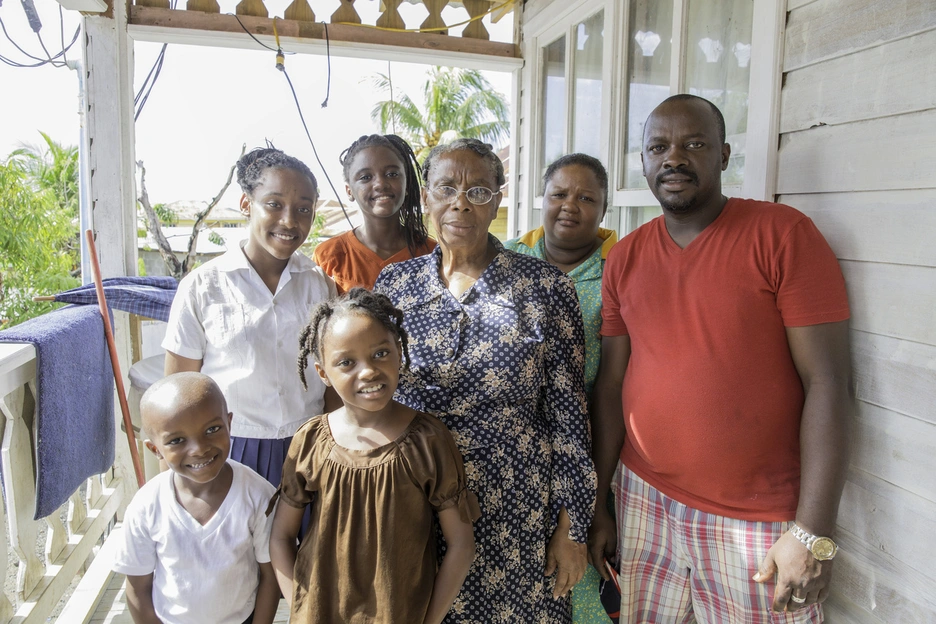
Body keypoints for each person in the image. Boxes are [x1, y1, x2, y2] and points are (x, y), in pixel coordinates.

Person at [589, 94, 852, 623]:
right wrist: (599, 501)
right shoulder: (624, 257)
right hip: (646, 499)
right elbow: (613, 385)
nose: (674, 158)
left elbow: (829, 382)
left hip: (758, 519)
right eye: (658, 147)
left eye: (694, 144)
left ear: (725, 155)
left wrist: (812, 532)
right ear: (642, 162)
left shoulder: (782, 236)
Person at [374, 138, 597, 623]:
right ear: (426, 197)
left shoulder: (543, 287)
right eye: (446, 187)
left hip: (517, 505)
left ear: (498, 198)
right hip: (414, 496)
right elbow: (370, 398)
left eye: (477, 191)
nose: (460, 202)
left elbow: (569, 418)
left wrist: (572, 527)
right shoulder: (394, 286)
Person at [269, 288, 480, 624]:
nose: (367, 371)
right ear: (323, 372)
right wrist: (301, 606)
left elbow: (461, 545)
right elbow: (280, 536)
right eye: (346, 362)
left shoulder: (428, 440)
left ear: (400, 351)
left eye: (381, 353)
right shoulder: (310, 441)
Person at [162, 147, 338, 488]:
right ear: (247, 205)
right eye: (274, 204)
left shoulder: (319, 286)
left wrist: (331, 444)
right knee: (238, 540)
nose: (290, 221)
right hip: (229, 450)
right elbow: (179, 390)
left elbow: (332, 377)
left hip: (310, 445)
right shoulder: (203, 286)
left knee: (303, 540)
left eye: (304, 209)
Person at [505, 153, 617, 624]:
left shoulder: (619, 269)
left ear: (604, 209)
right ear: (542, 200)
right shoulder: (507, 261)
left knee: (584, 578)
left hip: (593, 446)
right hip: (515, 453)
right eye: (559, 194)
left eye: (586, 197)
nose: (570, 206)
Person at [113, 372, 278, 624]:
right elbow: (137, 588)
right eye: (177, 440)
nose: (199, 449)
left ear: (229, 424)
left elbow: (271, 576)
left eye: (212, 429)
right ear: (155, 449)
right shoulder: (146, 506)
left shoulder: (258, 496)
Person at [313, 134, 435, 292]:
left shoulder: (433, 254)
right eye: (365, 177)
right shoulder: (329, 256)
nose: (380, 184)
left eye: (392, 174)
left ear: (406, 183)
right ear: (349, 191)